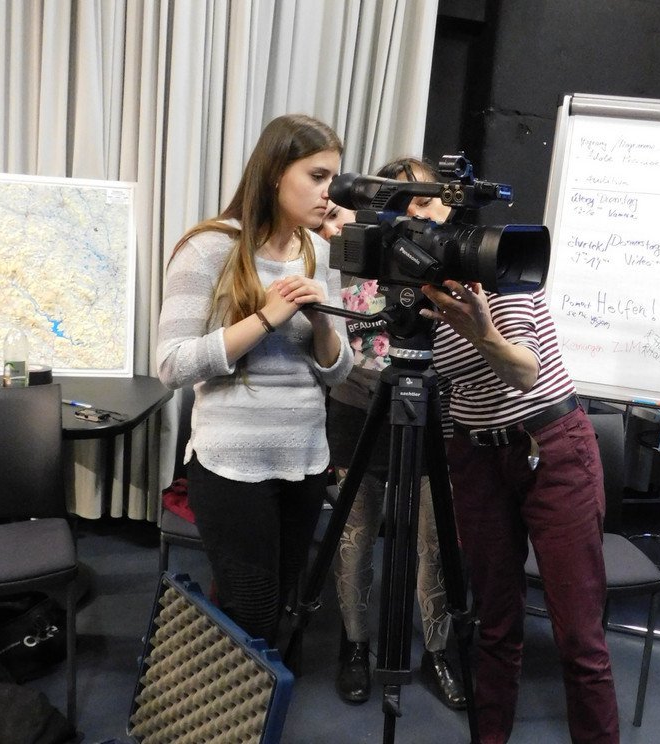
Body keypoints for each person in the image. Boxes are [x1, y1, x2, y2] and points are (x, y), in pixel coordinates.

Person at [419, 217, 621, 739]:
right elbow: (438, 390)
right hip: (475, 455)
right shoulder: (417, 294)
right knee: (496, 624)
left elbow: (524, 372)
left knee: (579, 635)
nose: (422, 223)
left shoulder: (501, 265)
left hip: (551, 447)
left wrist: (481, 330)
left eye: (428, 205)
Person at [156, 114, 353, 647]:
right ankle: (226, 715)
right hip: (231, 465)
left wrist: (321, 324)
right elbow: (172, 365)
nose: (328, 193)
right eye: (316, 177)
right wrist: (266, 317)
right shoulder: (209, 247)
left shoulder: (319, 252)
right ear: (273, 174)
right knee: (253, 609)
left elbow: (338, 369)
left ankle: (254, 709)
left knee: (283, 602)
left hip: (305, 459)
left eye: (333, 179)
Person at [320, 157, 466, 710]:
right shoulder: (362, 244)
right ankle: (354, 646)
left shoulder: (458, 257)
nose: (421, 216)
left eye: (428, 201)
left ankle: (436, 651)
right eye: (406, 205)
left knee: (434, 540)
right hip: (360, 407)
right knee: (355, 536)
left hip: (435, 410)